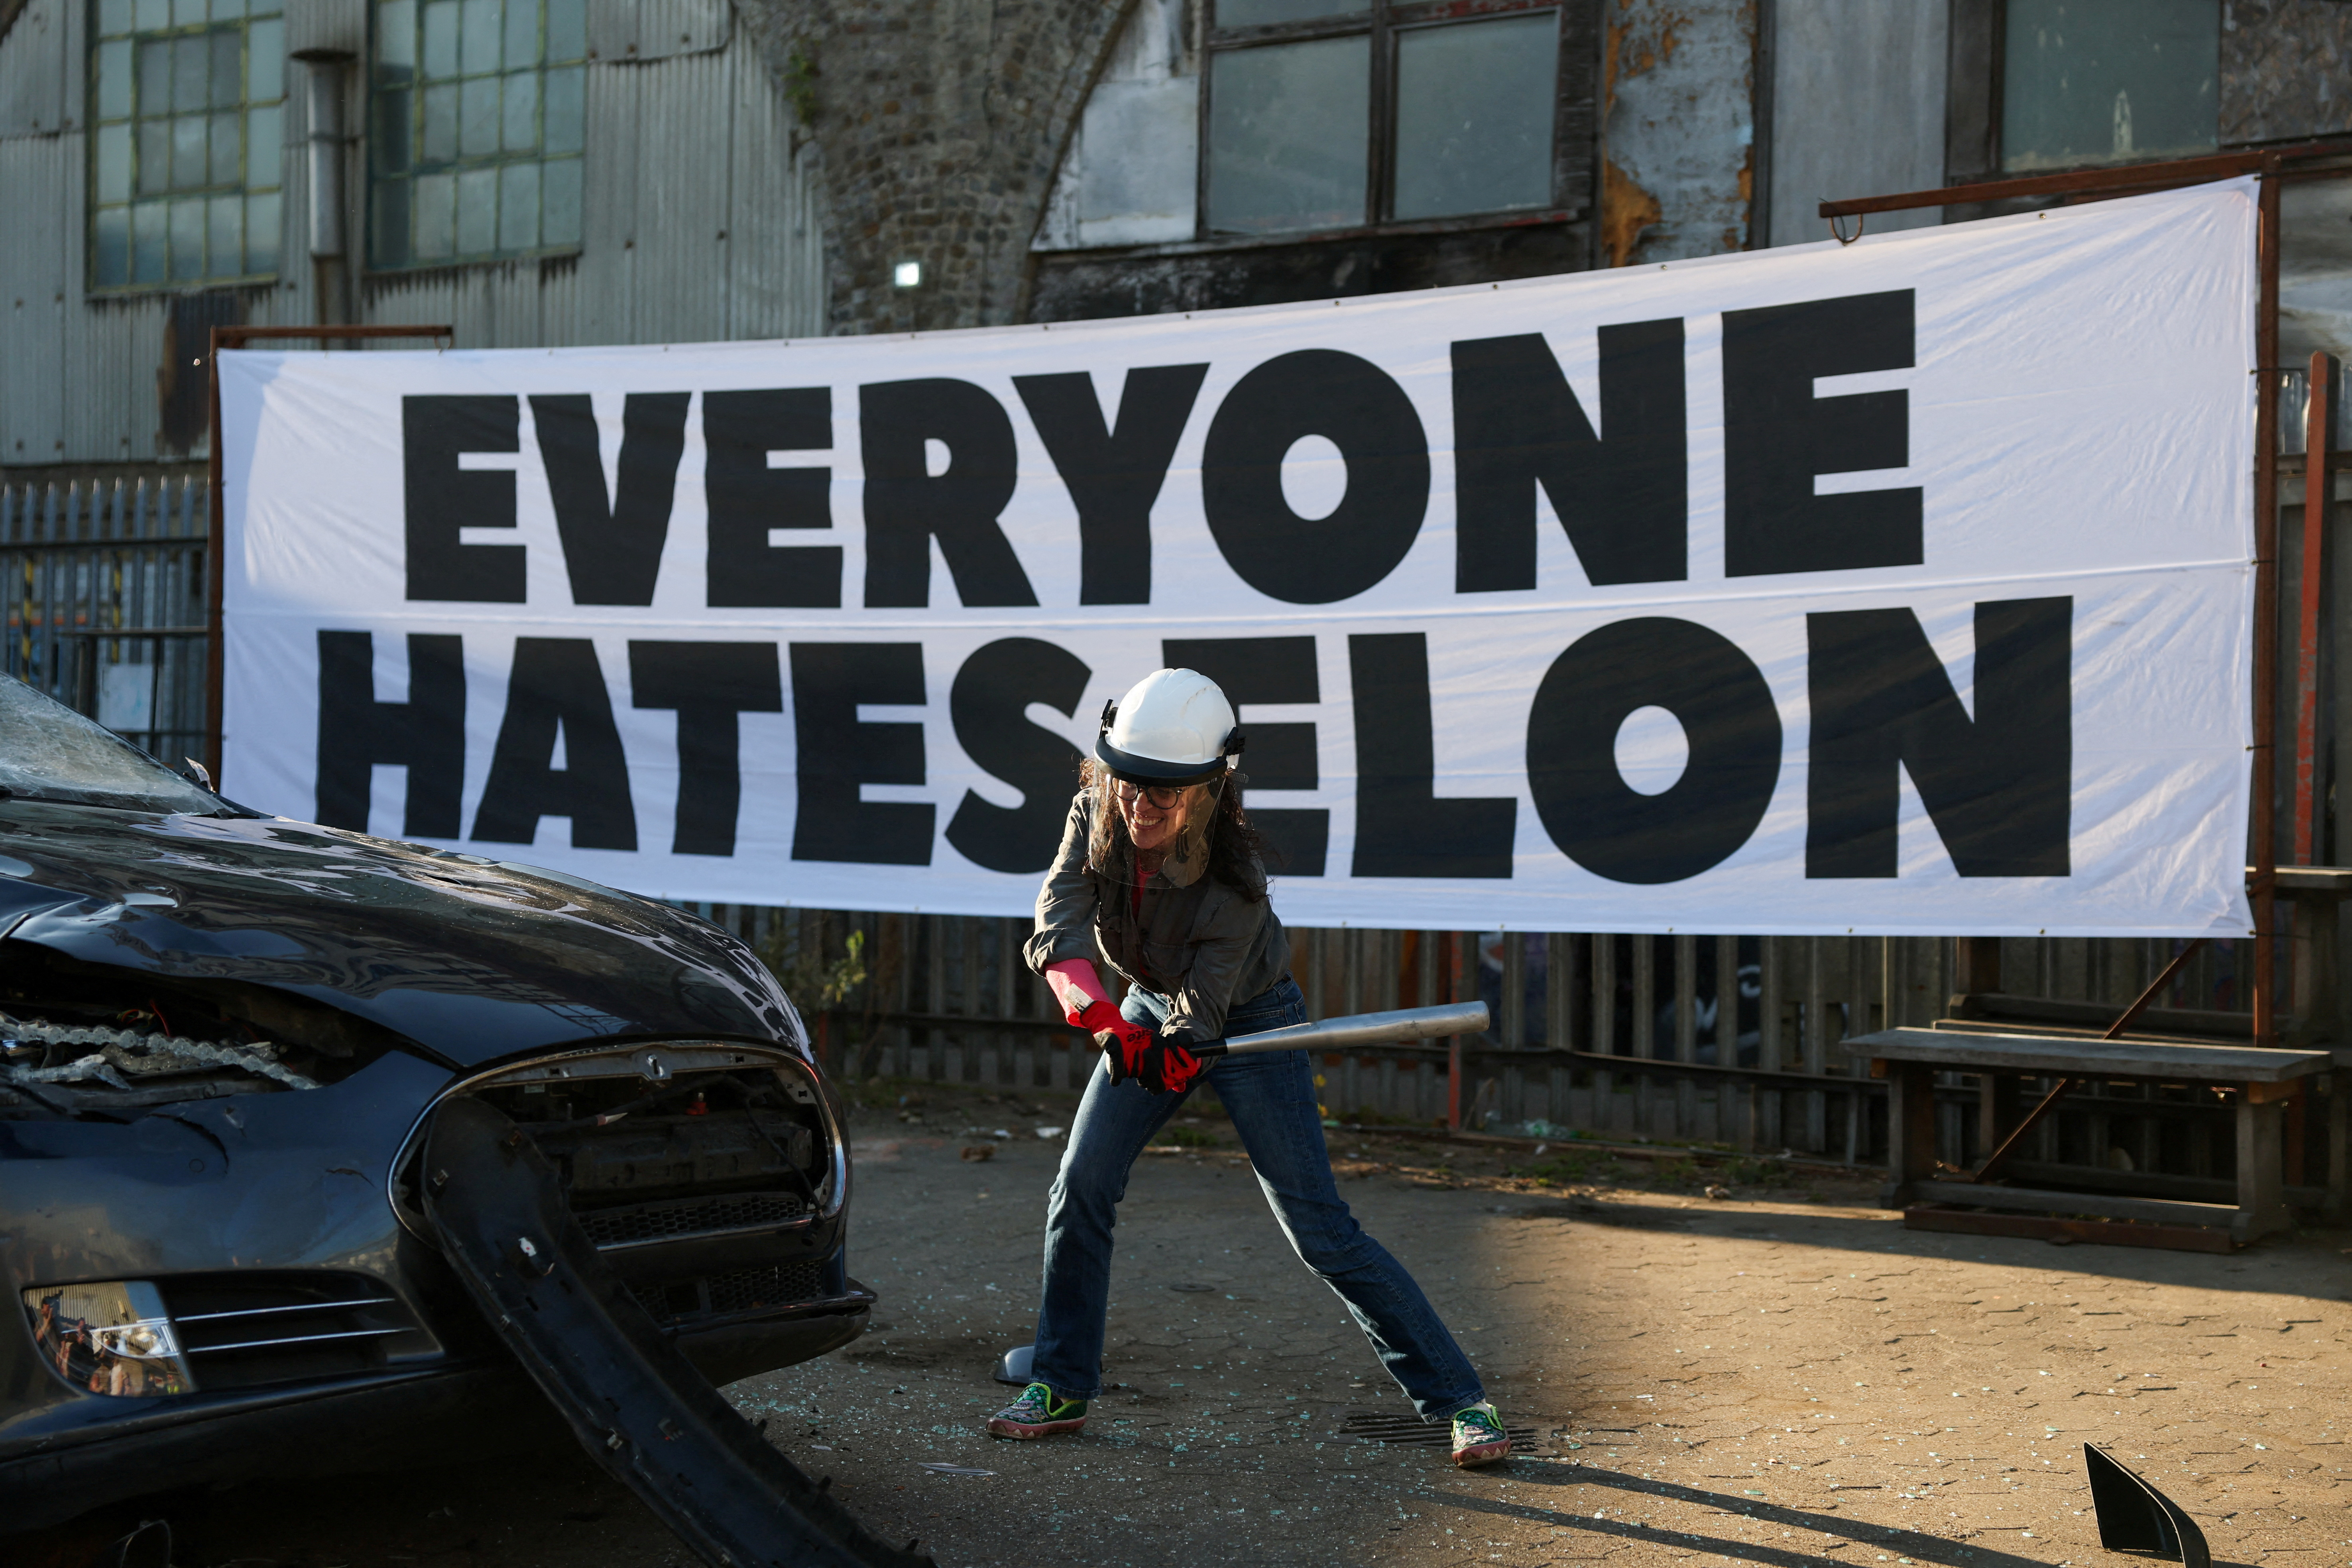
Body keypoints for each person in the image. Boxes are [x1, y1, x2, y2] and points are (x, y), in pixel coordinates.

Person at [985, 668, 1509, 1468]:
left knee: (1321, 1230)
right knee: (1080, 1184)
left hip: (1249, 1018)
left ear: (1210, 785)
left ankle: (1460, 1399)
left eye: (1166, 790)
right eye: (1130, 780)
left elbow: (1202, 1012)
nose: (1142, 804)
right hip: (1142, 1004)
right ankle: (1061, 1382)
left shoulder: (1235, 882)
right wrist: (1102, 1021)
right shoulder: (1096, 807)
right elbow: (1057, 922)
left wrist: (1172, 1050)